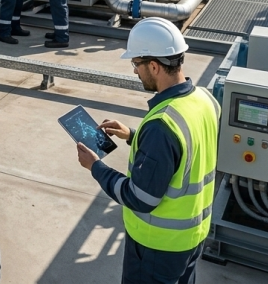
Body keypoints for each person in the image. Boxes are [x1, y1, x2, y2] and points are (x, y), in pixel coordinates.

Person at [75, 18, 220, 284]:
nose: (135, 72)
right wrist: (132, 135)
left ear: (154, 65)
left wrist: (96, 167)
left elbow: (140, 197)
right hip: (192, 237)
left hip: (157, 247)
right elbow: (184, 153)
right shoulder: (205, 100)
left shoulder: (162, 125)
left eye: (137, 64)